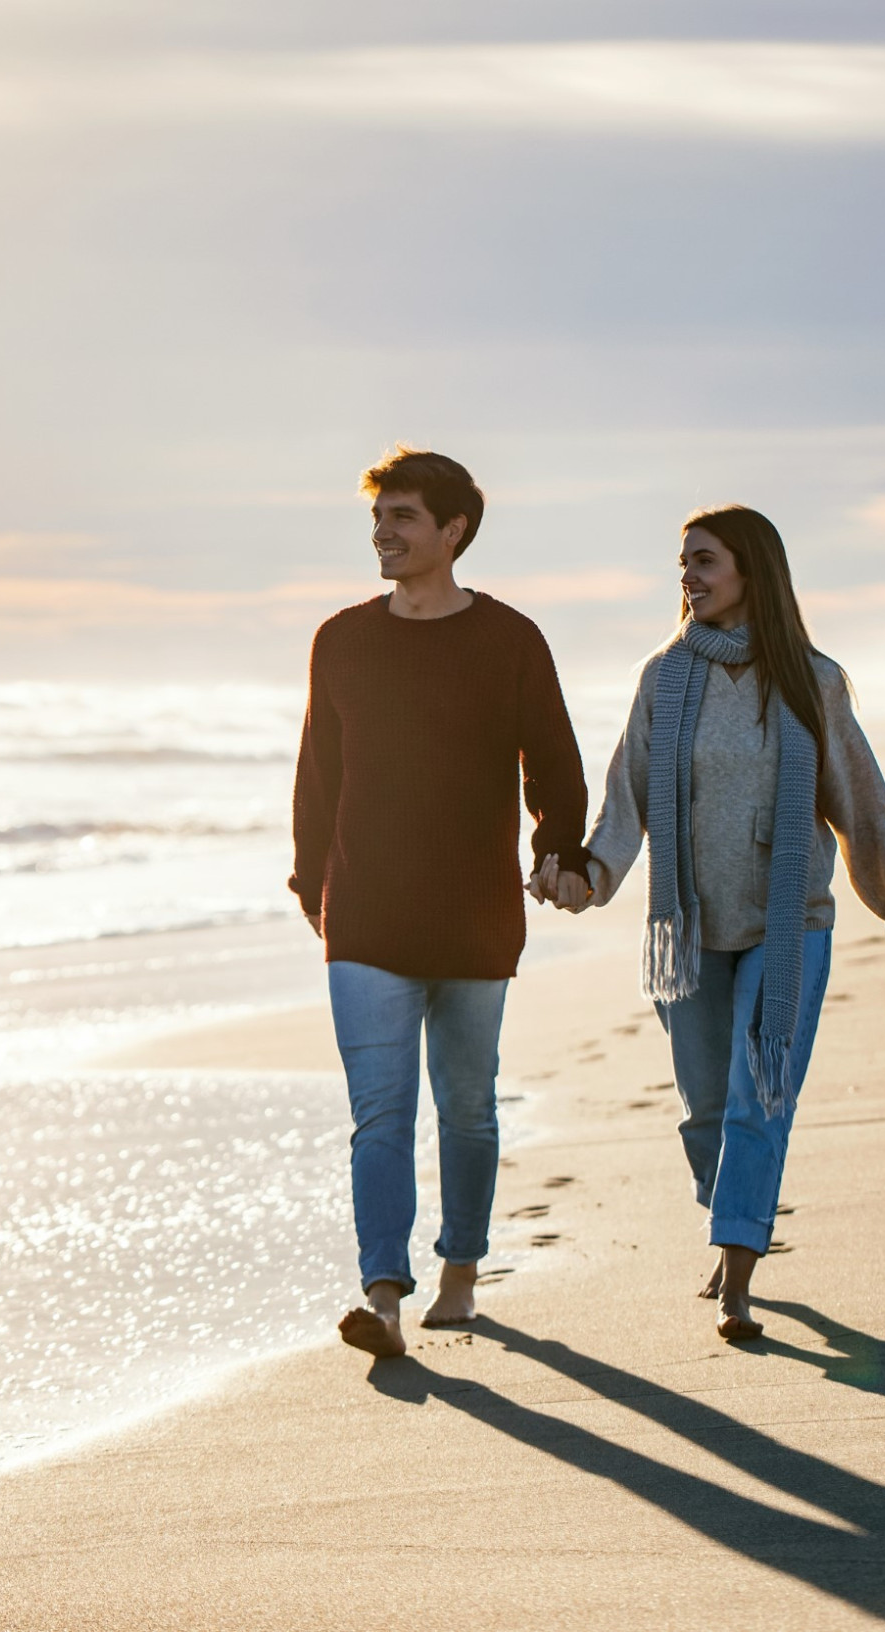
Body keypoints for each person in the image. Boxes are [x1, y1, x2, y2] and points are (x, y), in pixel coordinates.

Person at [551, 504, 885, 1344]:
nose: (687, 577)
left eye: (705, 562)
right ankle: (730, 1217)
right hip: (690, 928)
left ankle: (737, 1277)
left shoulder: (811, 679)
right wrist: (586, 877)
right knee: (704, 1107)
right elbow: (628, 801)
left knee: (759, 1100)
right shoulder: (664, 676)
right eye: (682, 563)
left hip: (788, 922)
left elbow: (860, 805)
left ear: (751, 573)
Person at [291, 446, 591, 1360]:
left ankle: (461, 1272)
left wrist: (557, 849)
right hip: (367, 916)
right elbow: (317, 774)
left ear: (452, 530)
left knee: (466, 1108)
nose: (384, 535)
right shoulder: (340, 639)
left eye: (403, 519)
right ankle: (381, 1296)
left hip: (473, 913)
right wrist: (313, 883)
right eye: (378, 519)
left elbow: (555, 761)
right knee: (380, 1113)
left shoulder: (508, 640)